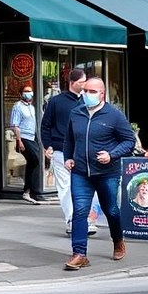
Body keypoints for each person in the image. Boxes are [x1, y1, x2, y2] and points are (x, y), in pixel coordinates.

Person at [62, 76, 135, 270]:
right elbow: (69, 139)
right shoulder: (76, 113)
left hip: (107, 172)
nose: (87, 94)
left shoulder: (114, 115)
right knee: (79, 211)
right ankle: (79, 254)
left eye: (92, 92)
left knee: (111, 210)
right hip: (80, 172)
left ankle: (118, 239)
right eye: (85, 91)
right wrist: (68, 158)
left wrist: (112, 155)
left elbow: (129, 141)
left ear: (102, 94)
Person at [41, 68, 98, 236]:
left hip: (83, 150)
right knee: (65, 187)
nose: (85, 85)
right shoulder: (56, 102)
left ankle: (87, 219)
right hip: (60, 150)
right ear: (72, 83)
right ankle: (73, 220)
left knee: (86, 185)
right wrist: (48, 145)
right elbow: (46, 125)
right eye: (82, 82)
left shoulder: (87, 102)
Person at [10, 85, 40, 204]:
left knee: (34, 161)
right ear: (21, 93)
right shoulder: (17, 107)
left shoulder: (32, 107)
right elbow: (15, 126)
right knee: (34, 158)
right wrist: (19, 141)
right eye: (26, 91)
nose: (29, 93)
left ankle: (28, 190)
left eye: (30, 91)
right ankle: (28, 190)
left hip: (32, 137)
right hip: (24, 137)